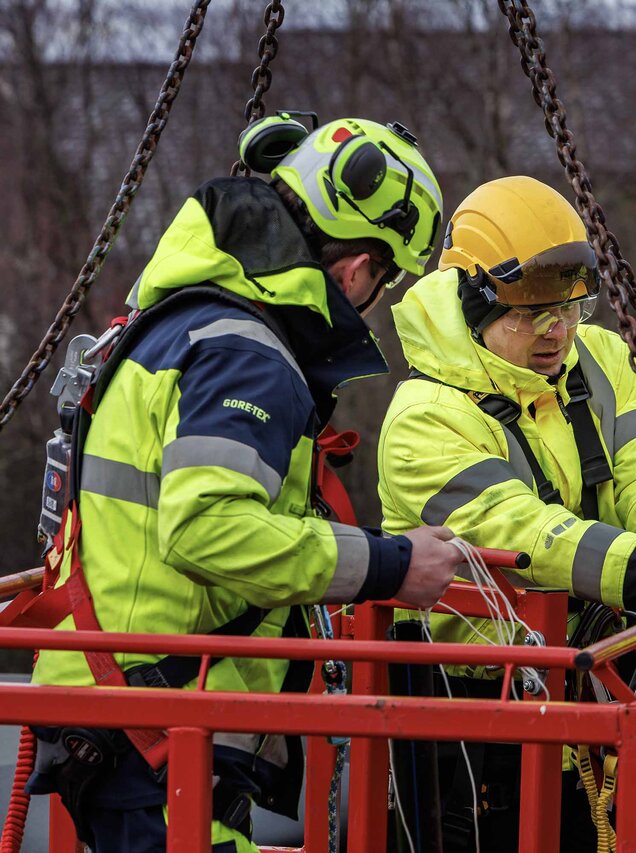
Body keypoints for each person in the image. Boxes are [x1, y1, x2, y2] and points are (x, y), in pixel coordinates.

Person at [27, 116, 468, 853]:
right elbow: (208, 527)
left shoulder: (192, 318)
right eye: (384, 280)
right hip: (153, 712)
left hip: (131, 699)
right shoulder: (247, 353)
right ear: (357, 268)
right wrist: (392, 564)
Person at [377, 175, 636, 851]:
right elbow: (530, 536)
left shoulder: (599, 358)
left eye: (571, 306)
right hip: (472, 715)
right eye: (531, 312)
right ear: (474, 299)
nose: (557, 330)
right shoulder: (424, 421)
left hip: (582, 683)